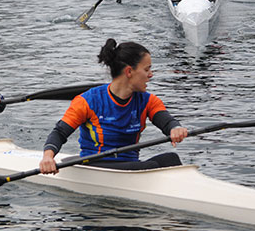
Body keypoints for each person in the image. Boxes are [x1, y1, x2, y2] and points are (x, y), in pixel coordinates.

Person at [39, 39, 188, 175]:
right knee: (153, 165)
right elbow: (60, 132)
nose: (151, 75)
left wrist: (175, 128)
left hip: (131, 166)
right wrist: (48, 157)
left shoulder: (148, 101)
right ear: (129, 71)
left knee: (171, 158)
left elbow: (167, 121)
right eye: (147, 69)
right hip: (95, 166)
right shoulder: (88, 101)